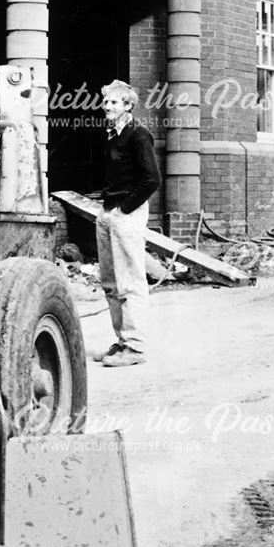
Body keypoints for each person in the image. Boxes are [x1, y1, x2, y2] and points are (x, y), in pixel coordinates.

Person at [94, 80, 161, 367]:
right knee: (110, 282)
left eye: (114, 102)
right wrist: (106, 210)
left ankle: (134, 347)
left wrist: (123, 209)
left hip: (127, 215)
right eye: (106, 101)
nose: (108, 106)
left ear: (128, 106)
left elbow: (152, 180)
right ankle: (121, 341)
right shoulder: (112, 135)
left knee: (130, 281)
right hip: (109, 214)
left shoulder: (138, 135)